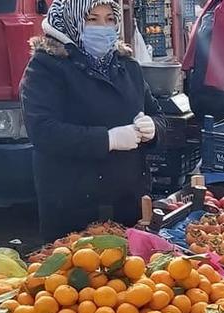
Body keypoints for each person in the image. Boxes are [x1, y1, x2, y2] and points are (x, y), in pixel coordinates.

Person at [20, 0, 165, 241]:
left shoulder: (127, 66)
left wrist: (153, 129)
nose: (103, 27)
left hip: (128, 203)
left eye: (110, 19)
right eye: (92, 19)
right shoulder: (46, 67)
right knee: (76, 275)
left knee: (131, 275)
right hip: (73, 205)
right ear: (72, 21)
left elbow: (158, 115)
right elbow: (43, 131)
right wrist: (107, 139)